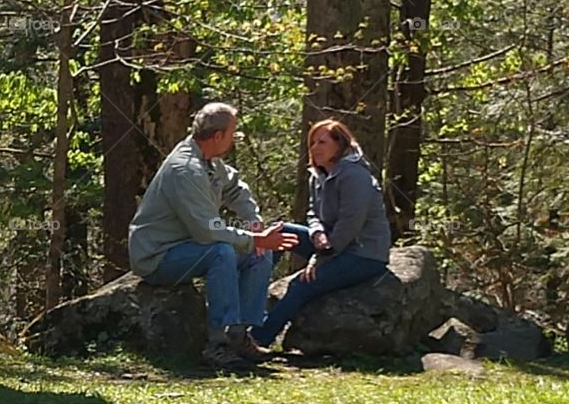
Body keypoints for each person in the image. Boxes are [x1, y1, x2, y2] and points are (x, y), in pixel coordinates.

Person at [128, 102, 298, 371]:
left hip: (190, 247)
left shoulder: (209, 162)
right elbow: (208, 231)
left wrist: (253, 224)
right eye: (233, 133)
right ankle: (217, 344)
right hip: (157, 256)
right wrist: (255, 238)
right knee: (222, 252)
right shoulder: (186, 170)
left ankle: (240, 336)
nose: (234, 139)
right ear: (218, 136)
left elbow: (236, 188)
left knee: (257, 255)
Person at [249, 119, 392, 349]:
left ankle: (257, 340)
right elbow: (313, 213)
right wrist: (316, 233)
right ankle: (249, 310)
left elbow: (350, 225)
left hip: (363, 253)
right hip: (330, 243)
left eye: (322, 142)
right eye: (312, 142)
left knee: (301, 284)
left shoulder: (355, 176)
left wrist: (321, 256)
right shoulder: (318, 175)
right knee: (280, 232)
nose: (315, 147)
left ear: (340, 145)